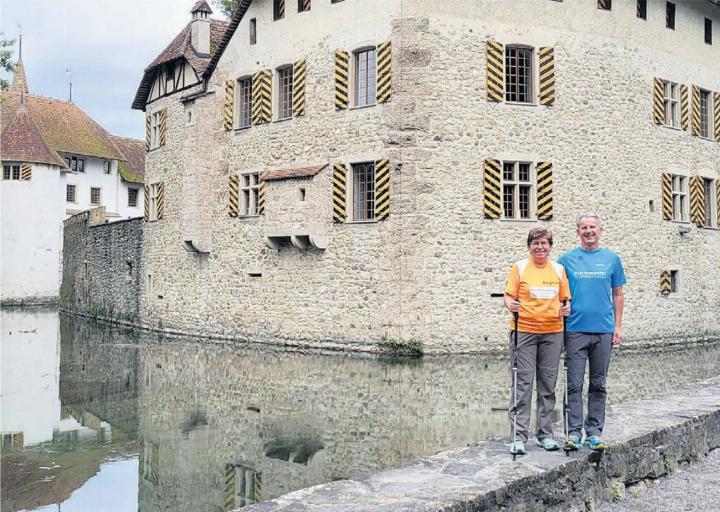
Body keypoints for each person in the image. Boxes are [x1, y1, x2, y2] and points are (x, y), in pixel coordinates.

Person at [558, 213, 626, 452]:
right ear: (578, 232)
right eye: (584, 228)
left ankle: (594, 432)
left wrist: (617, 326)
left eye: (593, 227)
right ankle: (573, 432)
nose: (589, 231)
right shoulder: (566, 260)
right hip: (575, 330)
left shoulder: (611, 259)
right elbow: (558, 293)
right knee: (574, 384)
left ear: (600, 230)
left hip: (603, 331)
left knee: (598, 384)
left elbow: (618, 294)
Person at [504, 227, 571, 455]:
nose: (540, 247)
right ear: (529, 246)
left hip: (553, 333)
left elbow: (564, 298)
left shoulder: (559, 270)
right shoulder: (520, 268)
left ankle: (545, 434)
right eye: (535, 243)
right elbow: (509, 295)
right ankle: (518, 436)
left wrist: (567, 307)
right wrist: (508, 303)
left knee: (547, 384)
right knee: (522, 383)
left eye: (544, 243)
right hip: (524, 330)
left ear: (550, 247)